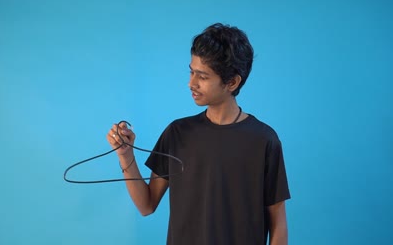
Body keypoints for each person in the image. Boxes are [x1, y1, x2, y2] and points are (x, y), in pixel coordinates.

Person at [107, 23, 290, 245]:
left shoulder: (263, 140)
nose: (191, 83)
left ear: (232, 82)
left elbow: (278, 225)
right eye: (191, 72)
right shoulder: (178, 133)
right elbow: (146, 205)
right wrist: (125, 155)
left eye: (202, 77)